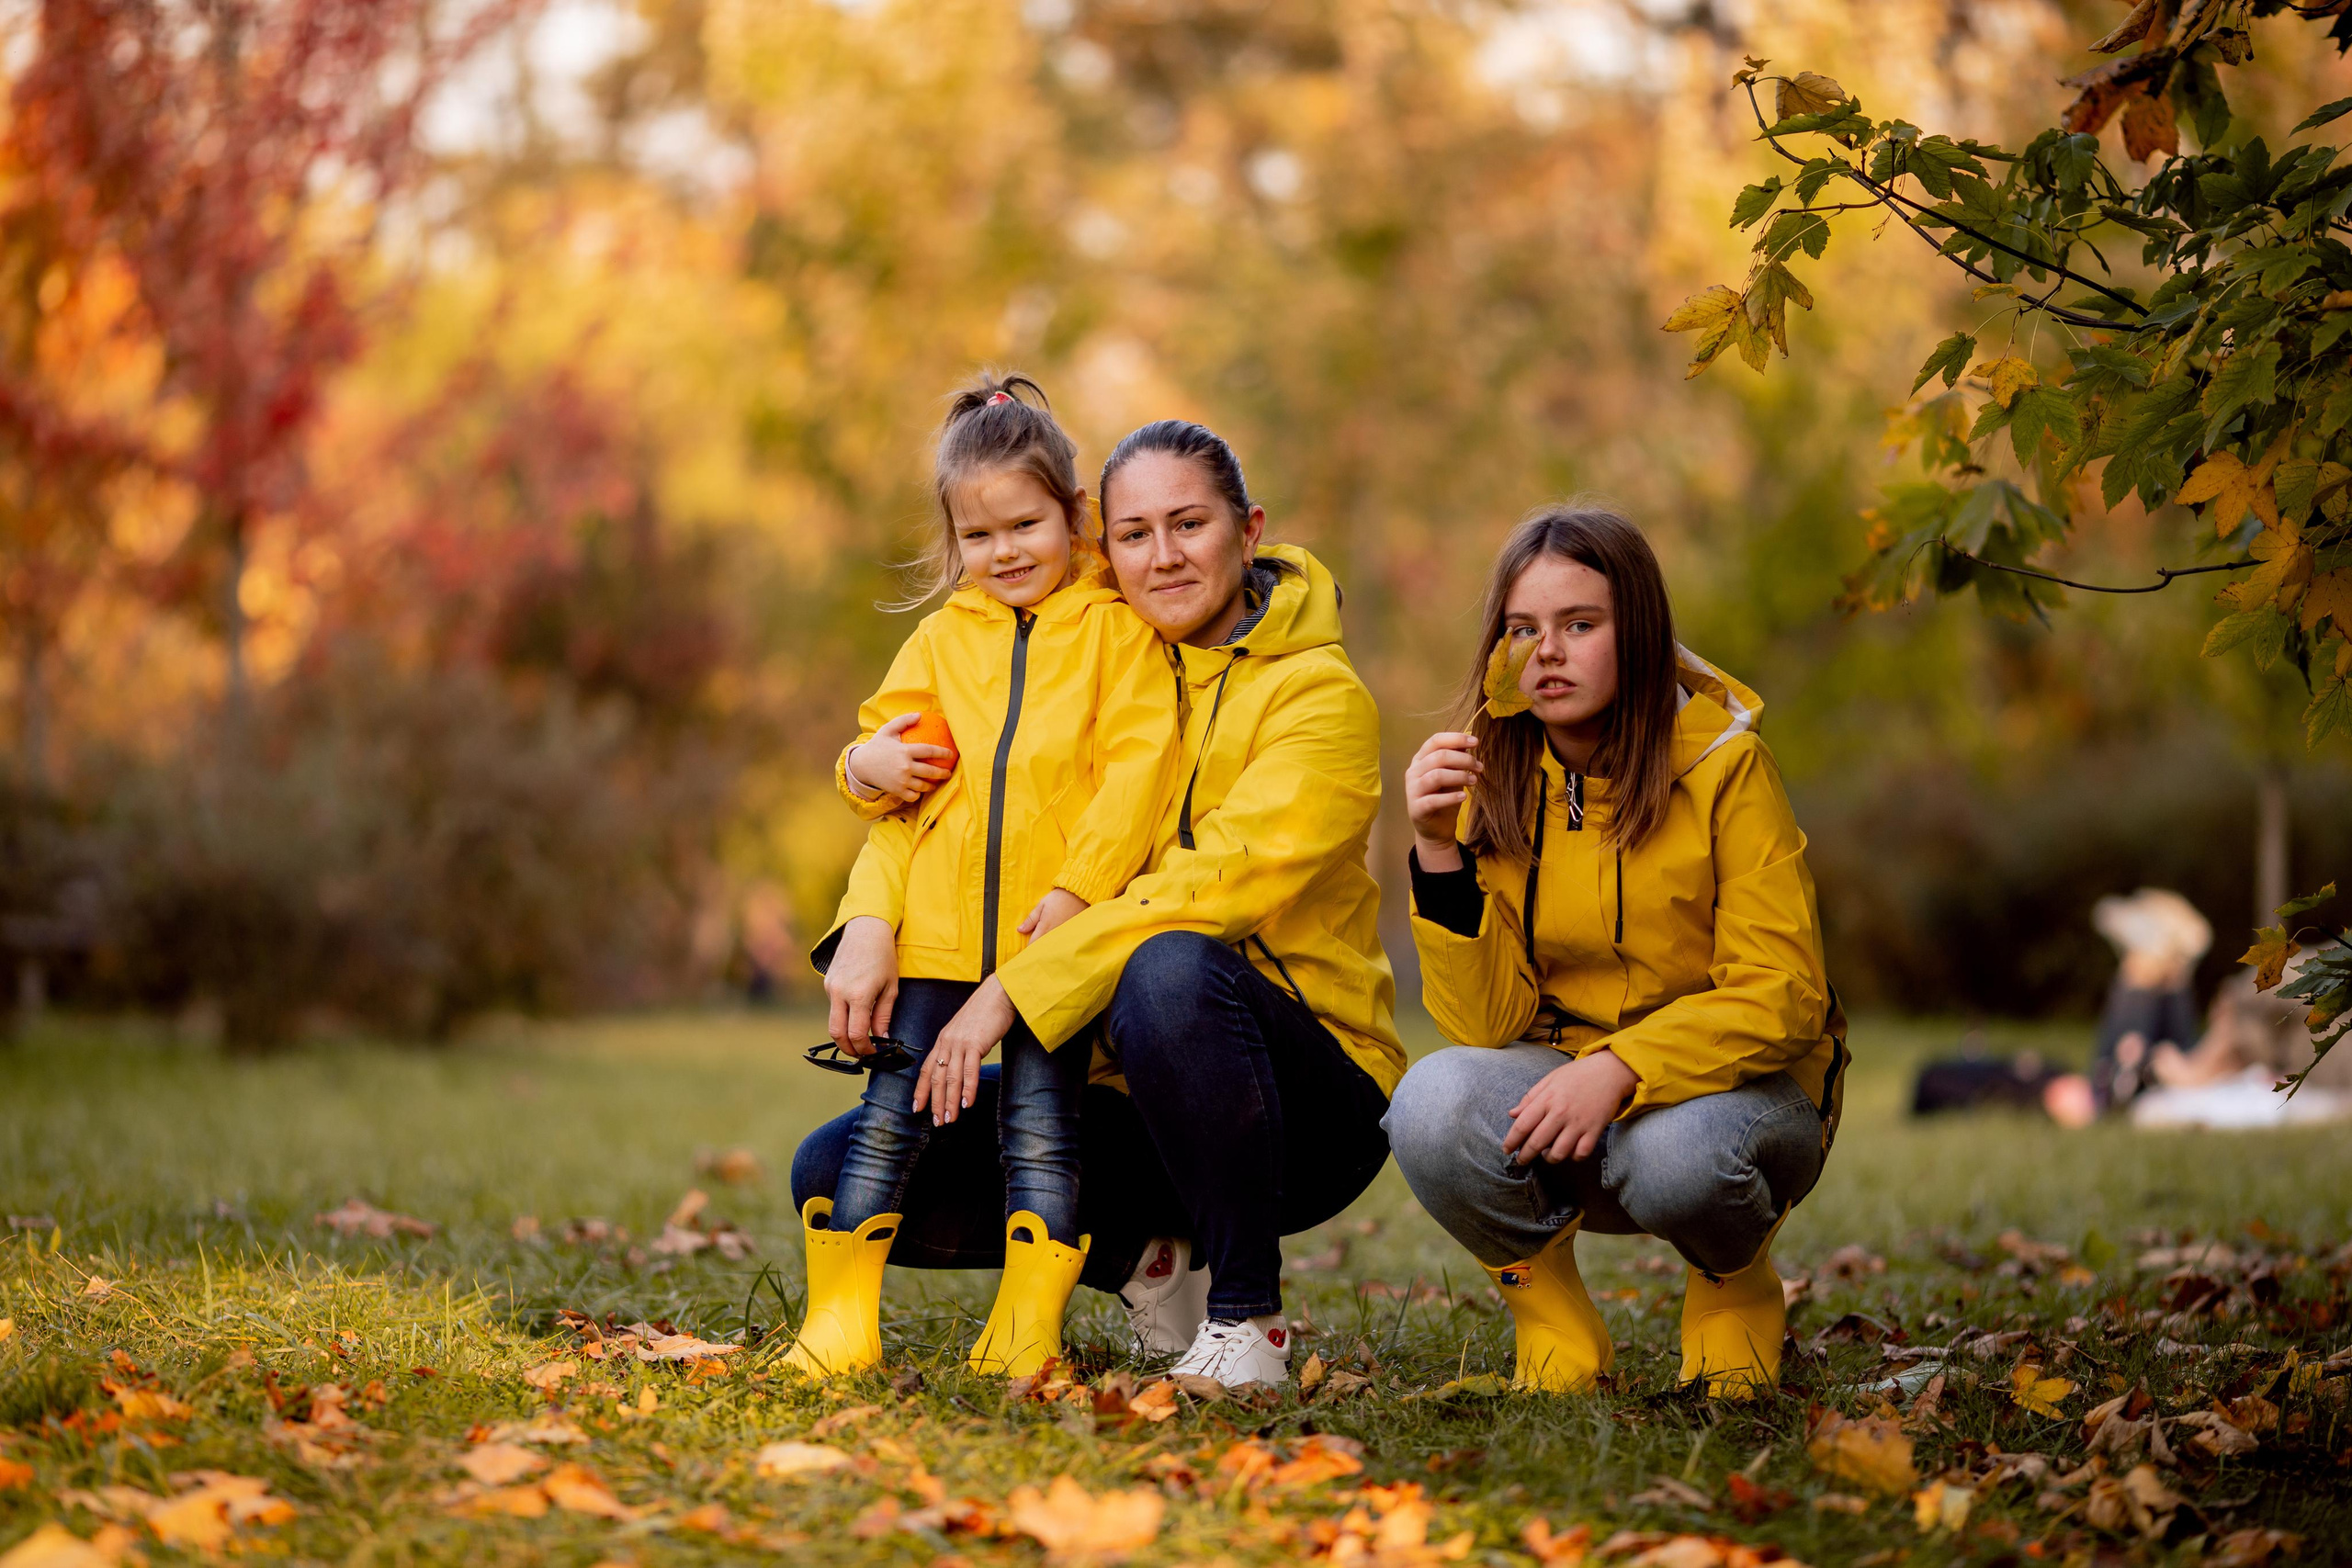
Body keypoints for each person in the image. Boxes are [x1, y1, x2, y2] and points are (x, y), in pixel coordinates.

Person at [799, 419, 1403, 1388]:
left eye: (1189, 525)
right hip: (1128, 1085)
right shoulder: (1084, 652)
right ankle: (1151, 1266)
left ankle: (1249, 1319)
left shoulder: (1317, 699)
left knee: (1168, 966)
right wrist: (868, 916)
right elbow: (929, 794)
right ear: (1100, 542)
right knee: (837, 1169)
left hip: (1302, 1099)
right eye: (1134, 533)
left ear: (1248, 531)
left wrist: (1009, 989)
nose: (1161, 556)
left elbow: (1209, 891)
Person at [1385, 504, 1845, 1398]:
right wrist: (1439, 851)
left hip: (1739, 1105)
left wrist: (1624, 1066)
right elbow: (1487, 1024)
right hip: (1572, 1100)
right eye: (1522, 629)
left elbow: (1784, 992)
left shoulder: (1725, 769)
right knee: (1428, 1106)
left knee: (1673, 1157)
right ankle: (1551, 1317)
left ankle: (1732, 1286)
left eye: (1578, 625)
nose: (1546, 652)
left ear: (1635, 634)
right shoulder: (1497, 779)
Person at [782, 374, 1179, 1380]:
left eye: (1026, 524)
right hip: (930, 946)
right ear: (953, 538)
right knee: (884, 1127)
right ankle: (839, 1323)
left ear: (1073, 514)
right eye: (979, 534)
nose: (1005, 551)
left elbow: (1137, 775)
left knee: (1040, 1137)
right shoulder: (940, 638)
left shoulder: (1118, 634)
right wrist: (861, 766)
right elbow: (893, 771)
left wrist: (1080, 892)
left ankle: (1024, 1328)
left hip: (1045, 955)